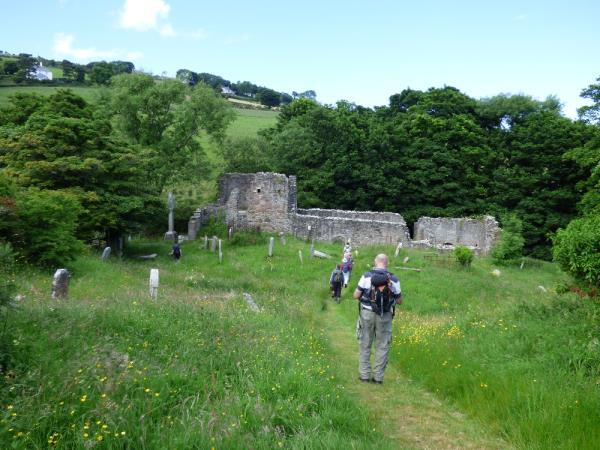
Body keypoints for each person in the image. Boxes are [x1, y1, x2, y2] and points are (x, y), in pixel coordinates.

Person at [353, 254, 402, 384]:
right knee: (382, 345)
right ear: (387, 263)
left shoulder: (366, 276)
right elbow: (399, 300)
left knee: (365, 343)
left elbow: (356, 295)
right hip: (385, 315)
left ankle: (364, 375)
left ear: (375, 262)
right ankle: (378, 378)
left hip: (367, 314)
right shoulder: (393, 279)